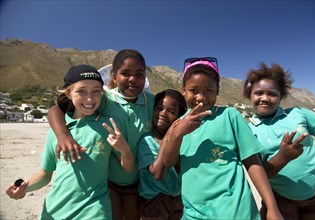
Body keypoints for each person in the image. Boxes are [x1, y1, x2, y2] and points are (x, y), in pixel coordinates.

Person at [5, 64, 134, 219]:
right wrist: (25, 188)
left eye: (96, 91)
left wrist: (124, 150)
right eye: (81, 91)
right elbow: (45, 174)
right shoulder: (57, 132)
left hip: (95, 210)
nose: (89, 98)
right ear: (68, 93)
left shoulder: (106, 126)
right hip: (54, 211)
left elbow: (127, 167)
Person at [161, 57, 283, 219]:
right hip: (194, 213)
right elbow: (168, 163)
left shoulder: (229, 116)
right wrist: (177, 133)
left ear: (217, 90)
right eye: (193, 90)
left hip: (236, 212)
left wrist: (272, 207)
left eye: (208, 91)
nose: (201, 97)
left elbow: (252, 162)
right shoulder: (178, 125)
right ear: (184, 90)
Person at [47, 49, 154, 220]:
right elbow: (55, 110)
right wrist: (63, 136)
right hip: (108, 182)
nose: (132, 79)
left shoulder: (152, 102)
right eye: (125, 73)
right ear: (114, 76)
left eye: (139, 74)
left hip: (139, 180)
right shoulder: (104, 99)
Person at [243, 62, 315, 219]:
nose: (264, 98)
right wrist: (282, 157)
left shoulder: (298, 114)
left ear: (281, 96)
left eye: (272, 94)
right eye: (258, 93)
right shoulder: (248, 131)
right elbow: (258, 175)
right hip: (281, 201)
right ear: (250, 94)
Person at [138, 89, 187, 220]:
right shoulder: (147, 141)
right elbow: (157, 173)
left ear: (179, 117)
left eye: (171, 112)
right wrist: (169, 134)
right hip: (153, 203)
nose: (163, 114)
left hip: (177, 201)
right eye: (159, 108)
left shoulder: (182, 140)